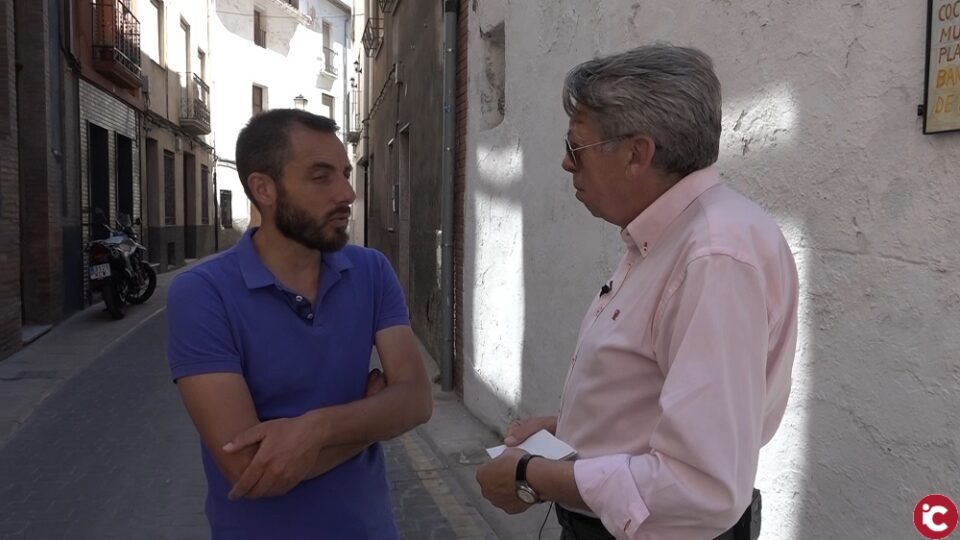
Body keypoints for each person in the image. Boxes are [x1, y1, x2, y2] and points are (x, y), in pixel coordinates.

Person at [475, 44, 799, 540]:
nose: (565, 164)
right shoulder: (669, 238)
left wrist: (529, 477)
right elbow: (651, 398)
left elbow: (699, 486)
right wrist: (569, 432)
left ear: (636, 154)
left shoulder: (713, 256)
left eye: (576, 147)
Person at [167, 109, 433, 539]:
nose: (347, 193)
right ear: (264, 189)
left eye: (345, 174)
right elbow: (249, 469)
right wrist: (373, 421)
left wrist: (314, 429)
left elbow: (417, 401)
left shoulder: (371, 271)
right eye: (321, 176)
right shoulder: (202, 293)